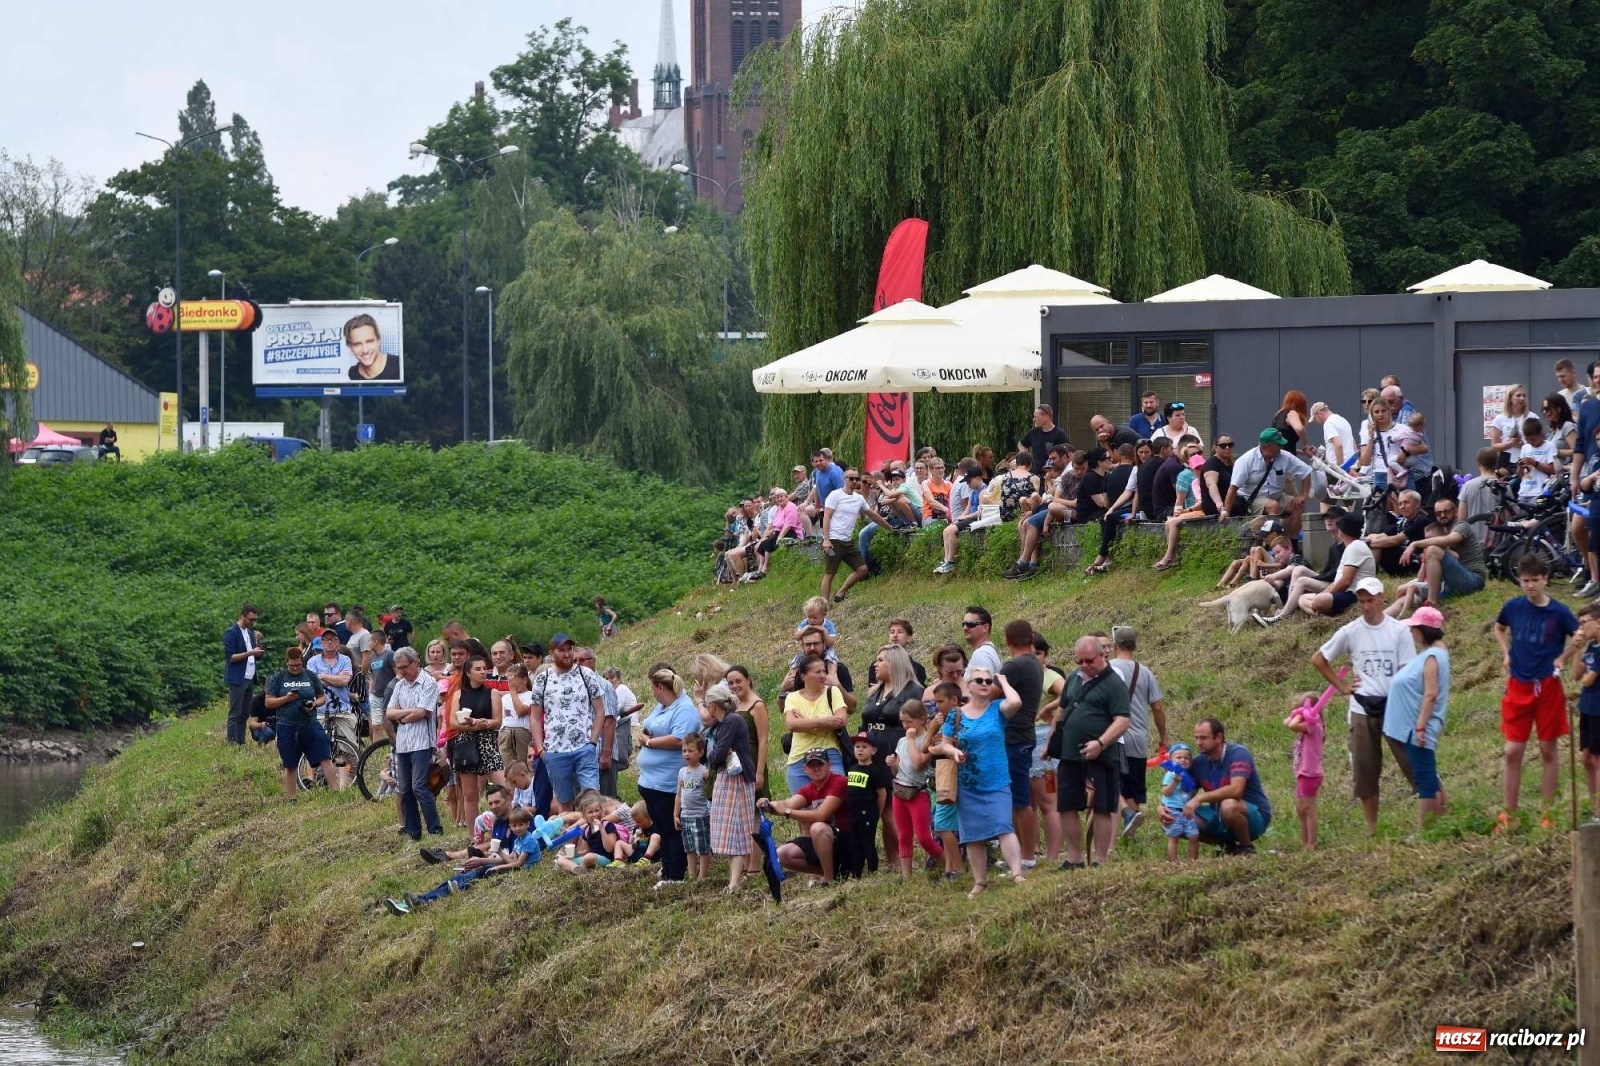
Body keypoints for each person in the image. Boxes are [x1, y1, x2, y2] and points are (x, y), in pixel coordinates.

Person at [1312, 578, 1416, 835]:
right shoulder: (1351, 631)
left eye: (1371, 600)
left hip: (1394, 705)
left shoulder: (1399, 631)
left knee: (1414, 763)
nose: (1366, 606)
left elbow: (1408, 671)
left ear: (1382, 598)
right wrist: (1342, 686)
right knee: (1364, 769)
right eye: (1362, 601)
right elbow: (1319, 659)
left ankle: (1434, 815)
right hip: (1362, 706)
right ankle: (1372, 829)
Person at [1494, 555, 1578, 829]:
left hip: (1548, 685)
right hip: (1518, 683)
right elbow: (1499, 628)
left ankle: (1549, 814)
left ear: (1545, 580)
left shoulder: (1559, 612)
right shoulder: (1513, 607)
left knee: (1547, 749)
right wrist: (1506, 653)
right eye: (1525, 581)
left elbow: (1579, 636)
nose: (1530, 586)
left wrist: (1563, 657)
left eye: (1535, 580)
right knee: (1513, 750)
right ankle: (1509, 814)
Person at [927, 665, 1027, 897]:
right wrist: (954, 752)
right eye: (979, 680)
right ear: (968, 686)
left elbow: (1016, 702)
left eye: (988, 681)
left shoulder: (997, 709)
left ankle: (1017, 873)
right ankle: (979, 882)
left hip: (997, 779)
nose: (984, 684)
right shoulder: (956, 714)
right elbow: (945, 743)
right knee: (973, 835)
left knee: (1003, 825)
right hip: (967, 782)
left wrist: (1002, 681)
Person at [1052, 636, 1130, 869]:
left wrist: (1101, 743)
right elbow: (1062, 710)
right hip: (1069, 754)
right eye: (1080, 661)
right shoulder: (1074, 678)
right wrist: (1051, 743)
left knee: (1103, 807)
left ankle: (1100, 860)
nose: (1085, 665)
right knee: (1066, 805)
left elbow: (1122, 720)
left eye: (1089, 661)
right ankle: (1074, 858)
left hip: (1102, 756)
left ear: (1102, 655)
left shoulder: (1114, 683)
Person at [384, 807, 538, 915]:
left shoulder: (529, 840)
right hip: (509, 866)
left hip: (518, 870)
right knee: (460, 876)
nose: (517, 828)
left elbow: (518, 864)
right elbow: (511, 859)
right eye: (514, 826)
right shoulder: (519, 839)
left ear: (528, 824)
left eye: (520, 825)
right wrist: (498, 854)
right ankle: (421, 899)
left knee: (470, 876)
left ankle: (424, 901)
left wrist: (497, 867)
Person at [1383, 605, 1451, 829]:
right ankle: (1442, 820)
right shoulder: (1434, 654)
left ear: (1425, 630)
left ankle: (1426, 830)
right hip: (1413, 726)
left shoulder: (1432, 657)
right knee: (1427, 775)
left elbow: (1431, 694)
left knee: (1424, 779)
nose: (1412, 633)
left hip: (1417, 727)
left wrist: (1420, 727)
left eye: (1414, 629)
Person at [638, 666, 703, 888]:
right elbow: (648, 726)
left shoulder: (685, 709)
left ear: (660, 687)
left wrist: (649, 742)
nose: (652, 692)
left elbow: (679, 739)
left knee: (672, 829)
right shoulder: (662, 707)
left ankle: (676, 875)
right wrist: (646, 735)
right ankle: (666, 870)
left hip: (667, 782)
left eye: (652, 687)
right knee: (661, 830)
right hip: (650, 782)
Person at [528, 633, 607, 814]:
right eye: (561, 650)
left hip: (584, 747)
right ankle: (569, 833)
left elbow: (600, 710)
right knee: (564, 802)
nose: (567, 654)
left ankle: (595, 832)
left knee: (592, 798)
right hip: (555, 750)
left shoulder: (586, 675)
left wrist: (593, 742)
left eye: (569, 649)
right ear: (552, 653)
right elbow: (535, 716)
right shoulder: (543, 679)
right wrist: (540, 749)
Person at [860, 645, 922, 864]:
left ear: (894, 663)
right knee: (881, 805)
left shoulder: (913, 690)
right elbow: (865, 721)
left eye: (880, 660)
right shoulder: (875, 690)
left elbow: (919, 722)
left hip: (895, 748)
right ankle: (892, 858)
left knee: (891, 806)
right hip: (872, 750)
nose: (875, 664)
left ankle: (904, 856)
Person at [1175, 718, 1272, 853]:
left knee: (1228, 806)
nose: (1198, 742)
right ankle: (1228, 846)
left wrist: (1200, 798)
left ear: (1219, 737)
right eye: (1196, 738)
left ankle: (1246, 847)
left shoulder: (1238, 753)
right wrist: (1165, 806)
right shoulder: (1198, 762)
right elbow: (1183, 796)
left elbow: (1236, 790)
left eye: (1203, 738)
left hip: (1253, 817)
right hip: (1219, 816)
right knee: (1174, 818)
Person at [1108, 626, 1166, 838]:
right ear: (1135, 646)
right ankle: (1131, 834)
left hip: (1115, 736)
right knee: (1132, 788)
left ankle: (1127, 818)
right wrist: (1163, 737)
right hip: (1139, 739)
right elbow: (1157, 708)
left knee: (1111, 782)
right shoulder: (1146, 672)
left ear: (1115, 646)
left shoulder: (1108, 668)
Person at [761, 749, 851, 885]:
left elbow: (821, 815)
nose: (816, 769)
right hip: (824, 842)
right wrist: (767, 805)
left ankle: (829, 880)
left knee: (817, 827)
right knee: (782, 854)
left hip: (847, 842)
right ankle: (836, 872)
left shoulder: (839, 782)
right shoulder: (809, 788)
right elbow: (786, 804)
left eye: (820, 764)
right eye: (811, 765)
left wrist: (787, 812)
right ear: (805, 769)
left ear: (829, 765)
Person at [1386, 496, 1489, 615]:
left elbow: (1448, 540)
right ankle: (1380, 619)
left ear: (1455, 511)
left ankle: (1432, 602)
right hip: (1449, 584)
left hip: (1473, 580)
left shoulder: (1462, 526)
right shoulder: (1439, 531)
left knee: (1432, 550)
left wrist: (1415, 544)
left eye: (1446, 512)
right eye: (1438, 513)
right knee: (1406, 596)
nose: (1442, 515)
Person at [1262, 517, 1375, 624]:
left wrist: (1325, 594)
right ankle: (1324, 616)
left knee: (1317, 597)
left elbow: (1345, 581)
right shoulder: (1349, 547)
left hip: (1353, 594)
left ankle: (1282, 617)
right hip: (1342, 591)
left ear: (1343, 531)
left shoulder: (1355, 547)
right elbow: (1336, 578)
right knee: (1302, 599)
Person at [996, 620, 1044, 868]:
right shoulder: (1034, 662)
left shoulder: (1015, 666)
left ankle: (1027, 856)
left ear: (1007, 641)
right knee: (1016, 800)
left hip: (1014, 738)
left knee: (1021, 802)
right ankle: (1018, 853)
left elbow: (989, 692)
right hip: (1023, 735)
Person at [702, 680, 757, 891]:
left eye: (706, 704)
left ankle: (735, 882)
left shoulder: (731, 721)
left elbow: (717, 755)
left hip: (735, 779)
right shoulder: (723, 723)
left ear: (713, 704)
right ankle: (734, 881)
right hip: (729, 778)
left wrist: (712, 756)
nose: (706, 708)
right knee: (733, 830)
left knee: (735, 829)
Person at [385, 647, 443, 839]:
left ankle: (435, 828)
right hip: (402, 743)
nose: (402, 671)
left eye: (405, 667)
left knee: (419, 786)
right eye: (399, 668)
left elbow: (423, 712)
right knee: (405, 788)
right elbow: (389, 712)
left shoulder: (428, 682)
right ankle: (413, 831)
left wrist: (402, 716)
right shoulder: (400, 685)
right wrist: (408, 713)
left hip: (422, 742)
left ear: (415, 662)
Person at [264, 648, 336, 798]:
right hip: (287, 724)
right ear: (286, 663)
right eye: (292, 666)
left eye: (298, 665)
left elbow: (322, 697)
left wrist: (314, 704)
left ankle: (336, 791)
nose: (295, 668)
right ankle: (292, 798)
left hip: (310, 722)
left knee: (325, 755)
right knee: (290, 763)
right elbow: (269, 702)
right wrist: (286, 699)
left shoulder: (310, 675)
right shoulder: (278, 678)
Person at [444, 655, 502, 827]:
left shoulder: (492, 693)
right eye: (478, 669)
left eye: (484, 668)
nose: (483, 672)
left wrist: (481, 723)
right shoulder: (459, 694)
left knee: (504, 787)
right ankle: (474, 836)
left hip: (487, 742)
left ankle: (507, 827)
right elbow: (453, 723)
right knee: (470, 794)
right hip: (466, 743)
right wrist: (474, 726)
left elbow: (498, 721)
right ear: (468, 673)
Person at [887, 700, 943, 875]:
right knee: (904, 835)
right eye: (903, 721)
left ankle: (948, 863)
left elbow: (918, 764)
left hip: (918, 793)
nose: (906, 725)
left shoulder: (926, 741)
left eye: (909, 721)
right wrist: (893, 765)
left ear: (922, 719)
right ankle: (906, 876)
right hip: (900, 792)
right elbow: (898, 771)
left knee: (924, 837)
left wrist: (911, 740)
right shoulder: (902, 741)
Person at [820, 467, 893, 603]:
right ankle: (824, 604)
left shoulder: (859, 499)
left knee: (862, 569)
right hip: (833, 540)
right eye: (851, 478)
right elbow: (827, 516)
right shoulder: (835, 495)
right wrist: (826, 539)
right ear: (844, 479)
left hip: (847, 541)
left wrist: (889, 528)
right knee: (830, 573)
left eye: (856, 479)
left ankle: (841, 593)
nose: (854, 481)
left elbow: (873, 515)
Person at [1224, 428, 1311, 539]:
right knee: (1273, 506)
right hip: (1252, 500)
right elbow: (1233, 488)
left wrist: (1303, 495)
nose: (1281, 447)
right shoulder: (1246, 460)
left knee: (1297, 506)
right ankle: (1273, 541)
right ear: (1267, 446)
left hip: (1277, 496)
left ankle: (1292, 541)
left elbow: (1306, 472)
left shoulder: (1284, 456)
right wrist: (1226, 512)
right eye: (1278, 445)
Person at [782, 654, 850, 791]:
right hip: (799, 759)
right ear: (803, 676)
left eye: (824, 671)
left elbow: (841, 721)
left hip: (829, 755)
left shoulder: (832, 691)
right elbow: (792, 725)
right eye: (818, 672)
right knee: (802, 803)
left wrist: (805, 722)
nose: (823, 675)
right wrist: (824, 721)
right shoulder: (792, 697)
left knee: (835, 799)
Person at [305, 629, 357, 788]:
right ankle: (311, 779)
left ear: (337, 642)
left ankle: (345, 784)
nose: (329, 642)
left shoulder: (345, 659)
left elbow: (344, 681)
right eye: (325, 639)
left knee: (345, 748)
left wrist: (322, 676)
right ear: (321, 643)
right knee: (313, 745)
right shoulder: (312, 661)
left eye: (332, 639)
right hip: (319, 710)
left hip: (342, 709)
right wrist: (335, 678)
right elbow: (312, 683)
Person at [1283, 690, 1326, 849]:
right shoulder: (1307, 726)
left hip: (1310, 773)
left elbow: (1292, 725)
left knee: (1308, 808)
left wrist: (1301, 715)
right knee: (1301, 809)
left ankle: (1311, 843)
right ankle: (1305, 842)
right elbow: (1286, 722)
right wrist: (1298, 713)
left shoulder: (1314, 726)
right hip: (1303, 773)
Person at [844, 732, 891, 876]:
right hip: (853, 813)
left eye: (864, 747)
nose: (860, 749)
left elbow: (882, 794)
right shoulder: (852, 768)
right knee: (855, 842)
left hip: (867, 813)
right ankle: (856, 872)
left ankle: (873, 871)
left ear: (873, 751)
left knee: (867, 842)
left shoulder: (875, 771)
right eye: (857, 746)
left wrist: (877, 813)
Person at [223, 604, 265, 746]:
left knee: (244, 713)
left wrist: (258, 645)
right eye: (251, 619)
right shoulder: (232, 632)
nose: (253, 622)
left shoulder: (250, 633)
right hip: (238, 678)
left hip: (249, 677)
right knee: (235, 712)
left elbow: (255, 656)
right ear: (242, 617)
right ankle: (232, 742)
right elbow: (230, 657)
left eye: (255, 620)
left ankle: (240, 742)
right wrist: (251, 652)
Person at [675, 733, 712, 880]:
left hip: (700, 816)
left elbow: (711, 792)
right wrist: (676, 814)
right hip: (686, 816)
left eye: (691, 751)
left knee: (702, 848)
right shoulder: (682, 772)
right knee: (689, 848)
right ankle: (691, 875)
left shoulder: (704, 772)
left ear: (701, 752)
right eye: (684, 751)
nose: (686, 754)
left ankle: (702, 877)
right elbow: (678, 795)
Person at [1575, 604, 1600, 824]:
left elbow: (1588, 680)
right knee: (1586, 757)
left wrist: (1585, 676)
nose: (1581, 629)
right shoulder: (1592, 647)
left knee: (1597, 759)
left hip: (1598, 710)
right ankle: (1595, 808)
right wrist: (1576, 649)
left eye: (1584, 623)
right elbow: (1576, 675)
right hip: (1587, 708)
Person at [1159, 743, 1200, 862]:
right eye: (1179, 757)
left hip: (1187, 811)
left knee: (1194, 836)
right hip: (1173, 811)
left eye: (1186, 758)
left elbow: (1191, 792)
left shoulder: (1188, 775)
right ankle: (1174, 863)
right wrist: (1175, 782)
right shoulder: (1170, 774)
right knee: (1174, 837)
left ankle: (1193, 861)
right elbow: (1165, 792)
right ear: (1171, 760)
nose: (1183, 760)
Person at [344, 313, 400, 381]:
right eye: (357, 344)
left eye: (369, 341)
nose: (365, 350)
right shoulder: (353, 373)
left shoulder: (398, 365)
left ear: (378, 340)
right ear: (350, 347)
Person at [1488, 384, 1531, 471]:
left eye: (1524, 396)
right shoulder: (1500, 419)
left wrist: (1523, 444)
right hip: (1507, 457)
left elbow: (1540, 441)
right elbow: (1494, 446)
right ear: (1510, 398)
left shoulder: (1531, 417)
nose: (1522, 398)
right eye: (1518, 395)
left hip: (1527, 456)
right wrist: (1510, 443)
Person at [1311, 402, 1356, 469]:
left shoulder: (1328, 423)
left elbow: (1338, 445)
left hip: (1338, 468)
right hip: (1351, 466)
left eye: (1315, 418)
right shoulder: (1343, 420)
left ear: (1319, 413)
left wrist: (1340, 468)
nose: (1316, 422)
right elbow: (1353, 445)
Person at [962, 607, 1002, 679]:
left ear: (985, 627)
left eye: (970, 624)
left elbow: (984, 685)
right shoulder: (987, 651)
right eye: (963, 624)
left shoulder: (981, 655)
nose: (965, 628)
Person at [1272, 390, 1310, 456]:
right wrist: (1306, 444)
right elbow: (1299, 428)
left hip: (1277, 453)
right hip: (1285, 457)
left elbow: (1284, 445)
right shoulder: (1291, 413)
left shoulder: (1278, 415)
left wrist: (1299, 452)